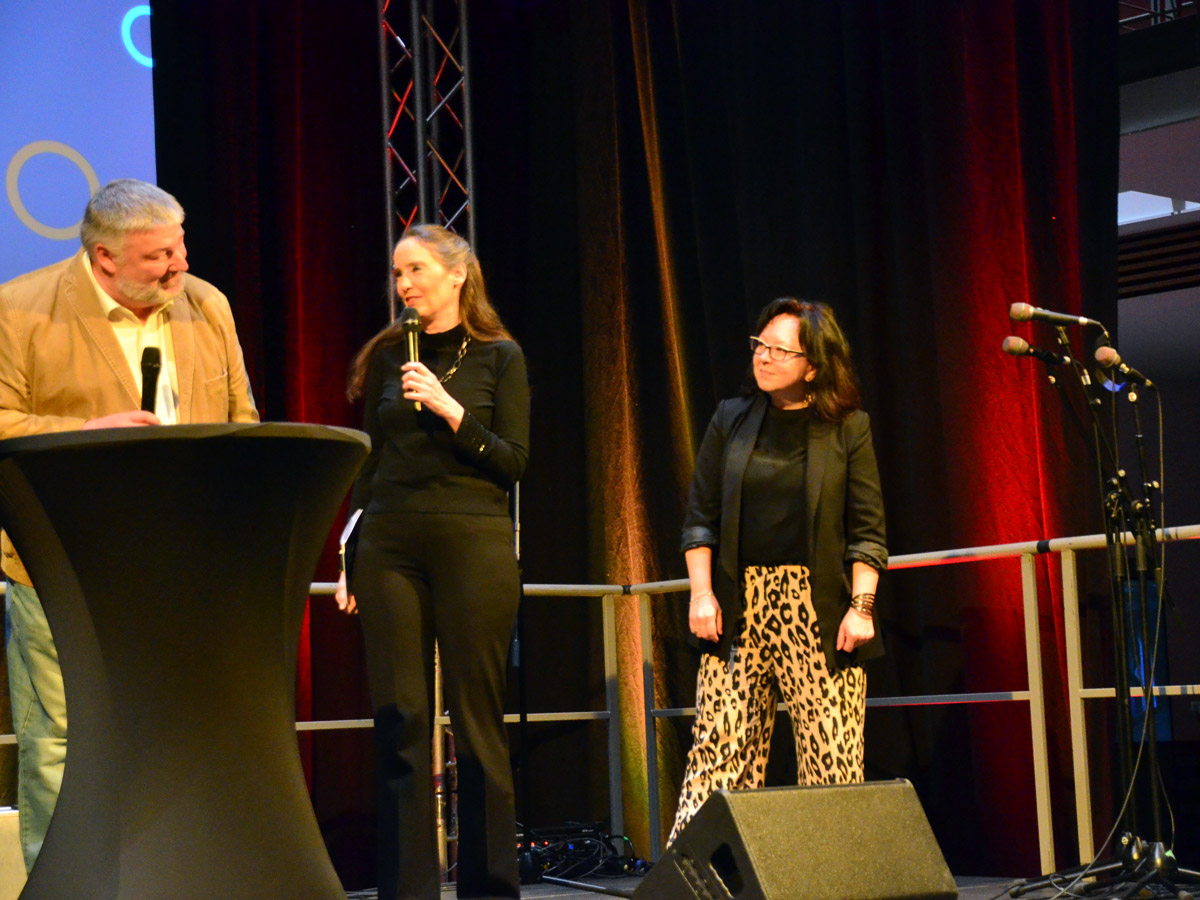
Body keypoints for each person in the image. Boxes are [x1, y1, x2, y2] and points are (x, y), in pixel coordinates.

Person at [0, 178, 259, 870]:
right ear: (104, 257)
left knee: (179, 733)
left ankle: (176, 877)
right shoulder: (20, 309)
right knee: (62, 737)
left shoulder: (207, 304)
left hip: (184, 563)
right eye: (159, 257)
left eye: (179, 248)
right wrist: (86, 433)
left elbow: (242, 420)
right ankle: (64, 882)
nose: (179, 266)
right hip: (63, 559)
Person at [336, 223, 528, 900]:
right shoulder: (391, 354)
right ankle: (406, 890)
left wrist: (451, 411)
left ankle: (489, 888)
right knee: (401, 719)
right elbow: (372, 464)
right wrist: (349, 552)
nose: (404, 284)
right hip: (389, 542)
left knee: (477, 722)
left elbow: (513, 461)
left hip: (472, 539)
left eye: (415, 269)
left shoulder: (500, 357)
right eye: (397, 273)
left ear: (457, 274)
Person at [669, 297, 886, 843]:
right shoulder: (731, 418)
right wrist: (701, 595)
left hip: (817, 606)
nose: (763, 357)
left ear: (812, 366)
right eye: (759, 345)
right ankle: (698, 874)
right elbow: (700, 520)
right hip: (738, 603)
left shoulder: (848, 428)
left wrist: (861, 608)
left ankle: (831, 874)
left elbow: (867, 531)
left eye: (779, 350)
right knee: (718, 750)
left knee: (831, 754)